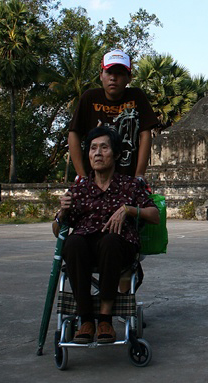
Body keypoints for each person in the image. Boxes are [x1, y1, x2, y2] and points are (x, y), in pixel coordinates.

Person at [58, 125, 159, 344]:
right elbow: (58, 231)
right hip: (85, 248)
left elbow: (154, 215)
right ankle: (85, 320)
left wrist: (129, 210)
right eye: (93, 148)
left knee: (110, 241)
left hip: (118, 248)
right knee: (73, 242)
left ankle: (105, 320)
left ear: (116, 155)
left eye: (104, 148)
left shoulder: (129, 186)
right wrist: (62, 212)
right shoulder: (79, 188)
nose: (97, 153)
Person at [68, 49, 160, 181]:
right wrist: (81, 175)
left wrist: (139, 174)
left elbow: (145, 134)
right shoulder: (90, 98)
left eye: (120, 74)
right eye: (109, 72)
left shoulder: (136, 97)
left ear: (129, 78)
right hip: (94, 178)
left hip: (127, 177)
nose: (113, 78)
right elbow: (74, 133)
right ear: (101, 75)